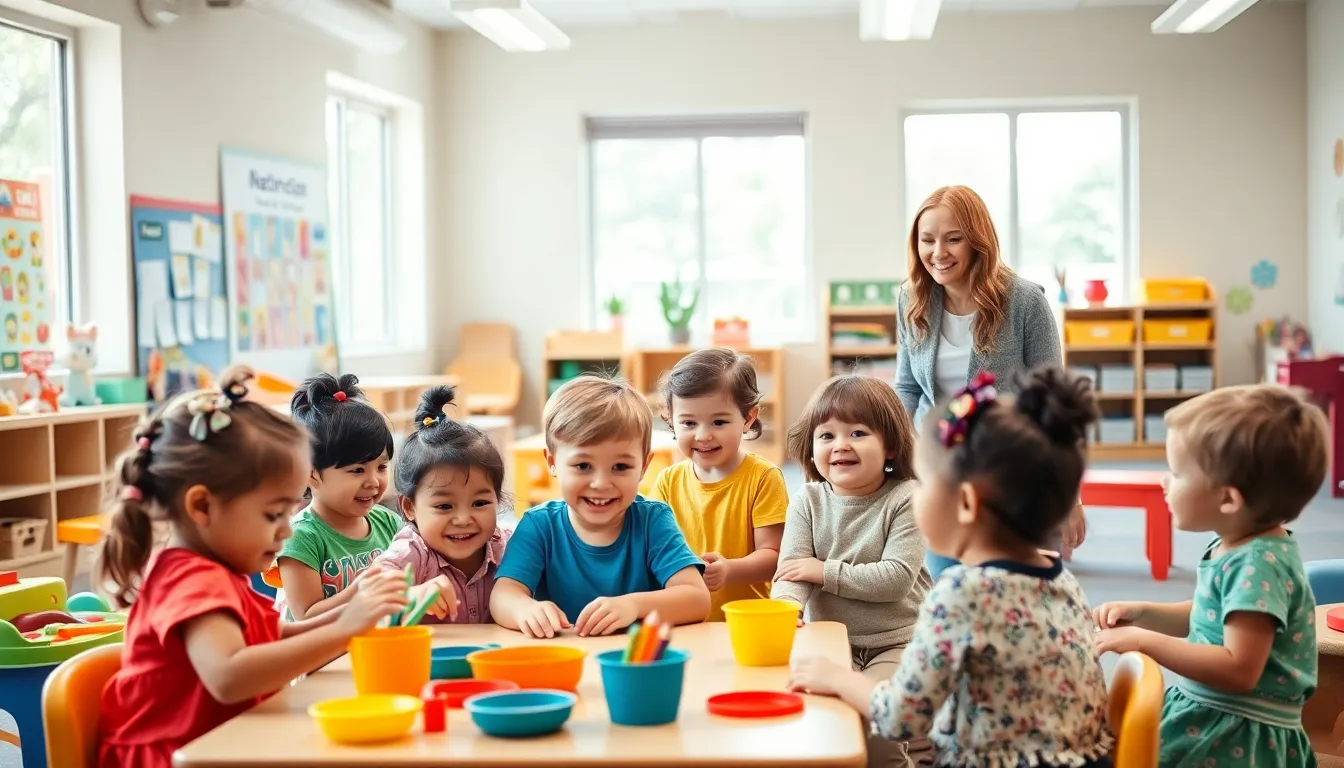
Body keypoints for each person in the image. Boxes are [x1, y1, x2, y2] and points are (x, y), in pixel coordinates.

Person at [789, 368, 1114, 768]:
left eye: (924, 482)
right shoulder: (1061, 579)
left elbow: (900, 717)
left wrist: (835, 678)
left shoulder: (961, 594)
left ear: (965, 504)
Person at [96, 368, 408, 768]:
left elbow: (276, 634)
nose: (284, 532)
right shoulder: (190, 579)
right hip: (176, 756)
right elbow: (228, 676)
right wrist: (346, 627)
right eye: (273, 514)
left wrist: (354, 615)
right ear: (202, 507)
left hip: (224, 742)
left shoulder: (216, 570)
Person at [1094, 385, 1329, 767]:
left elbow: (1238, 669)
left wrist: (1144, 641)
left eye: (1176, 472)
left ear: (1228, 499)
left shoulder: (1259, 563)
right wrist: (1145, 613)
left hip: (1235, 736)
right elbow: (1210, 615)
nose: (1163, 482)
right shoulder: (1236, 544)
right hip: (1209, 714)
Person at [896, 184, 1084, 573]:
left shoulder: (1026, 301)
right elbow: (908, 387)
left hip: (1012, 470)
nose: (938, 253)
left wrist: (1070, 497)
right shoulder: (911, 299)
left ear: (977, 241)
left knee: (1019, 591)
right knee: (948, 583)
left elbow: (1054, 400)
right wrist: (895, 451)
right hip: (944, 470)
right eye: (927, 240)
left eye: (953, 239)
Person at [771, 374, 932, 768]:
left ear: (891, 445)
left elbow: (894, 579)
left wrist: (823, 571)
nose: (840, 445)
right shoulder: (807, 501)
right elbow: (792, 573)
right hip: (833, 644)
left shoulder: (907, 499)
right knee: (825, 725)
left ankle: (919, 750)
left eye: (858, 433)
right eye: (826, 436)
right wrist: (785, 610)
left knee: (879, 731)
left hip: (899, 642)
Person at [490, 374, 711, 638]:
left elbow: (697, 598)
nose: (601, 483)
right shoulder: (539, 525)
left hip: (634, 663)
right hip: (563, 659)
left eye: (620, 467)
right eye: (583, 466)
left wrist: (634, 605)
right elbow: (503, 595)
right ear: (552, 461)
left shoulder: (653, 521)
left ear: (643, 466)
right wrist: (524, 609)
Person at [650, 348, 787, 621]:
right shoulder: (667, 481)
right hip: (684, 620)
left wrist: (729, 570)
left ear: (748, 418)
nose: (703, 435)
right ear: (671, 421)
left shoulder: (763, 477)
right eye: (688, 422)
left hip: (745, 622)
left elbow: (774, 558)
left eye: (719, 421)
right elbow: (650, 548)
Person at [367, 385, 510, 623]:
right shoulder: (413, 550)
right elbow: (371, 589)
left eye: (480, 502)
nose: (464, 519)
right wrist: (410, 594)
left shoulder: (506, 546)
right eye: (444, 506)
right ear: (409, 507)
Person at [276, 373, 403, 620]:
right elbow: (306, 616)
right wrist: (361, 589)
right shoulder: (301, 537)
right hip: (320, 656)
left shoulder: (389, 523)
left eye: (381, 467)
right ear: (311, 474)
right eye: (357, 470)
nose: (374, 481)